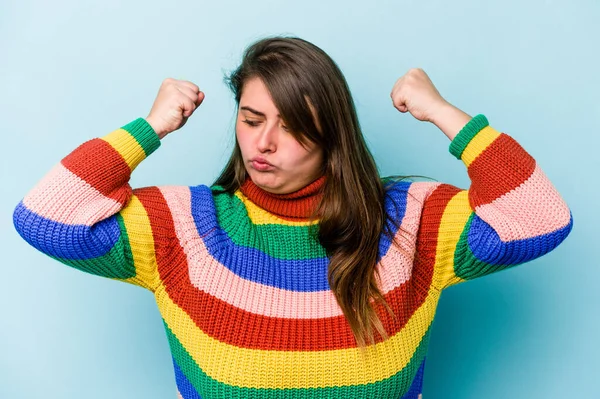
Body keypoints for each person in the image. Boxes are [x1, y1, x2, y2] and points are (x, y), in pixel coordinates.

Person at [12, 36, 573, 399]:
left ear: (333, 136)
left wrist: (442, 112)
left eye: (294, 125)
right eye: (252, 118)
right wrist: (150, 127)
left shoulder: (408, 222)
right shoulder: (186, 228)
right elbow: (45, 218)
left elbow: (538, 217)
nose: (265, 143)